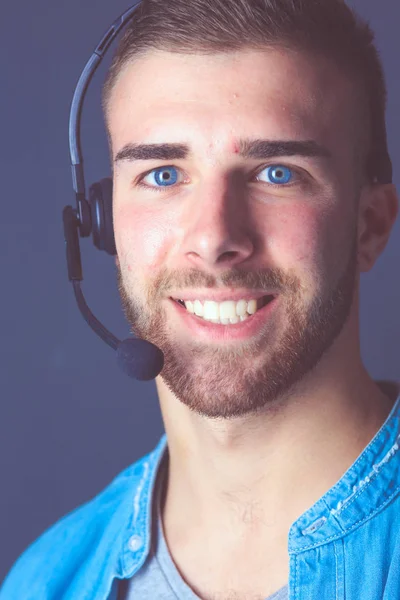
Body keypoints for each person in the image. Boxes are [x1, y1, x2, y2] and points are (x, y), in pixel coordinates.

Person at [2, 0, 400, 598]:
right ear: (101, 224)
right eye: (163, 174)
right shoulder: (45, 581)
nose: (214, 240)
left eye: (277, 173)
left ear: (369, 225)